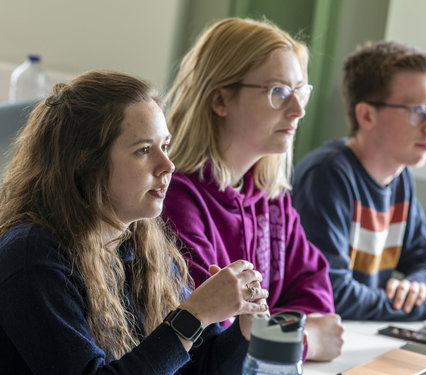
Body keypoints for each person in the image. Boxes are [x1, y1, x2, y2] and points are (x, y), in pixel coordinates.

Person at [0, 70, 270, 374]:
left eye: (165, 146)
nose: (167, 165)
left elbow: (198, 368)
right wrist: (194, 315)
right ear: (87, 164)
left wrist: (245, 330)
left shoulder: (141, 243)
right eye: (143, 150)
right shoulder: (32, 257)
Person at [162, 17, 343, 362]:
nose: (298, 109)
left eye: (300, 90)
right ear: (220, 101)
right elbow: (214, 336)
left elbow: (315, 295)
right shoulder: (175, 200)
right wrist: (303, 341)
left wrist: (273, 332)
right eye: (279, 92)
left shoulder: (270, 196)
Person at [292, 41, 426, 321]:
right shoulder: (326, 176)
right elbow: (333, 293)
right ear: (366, 115)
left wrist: (416, 288)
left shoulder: (400, 176)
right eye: (417, 110)